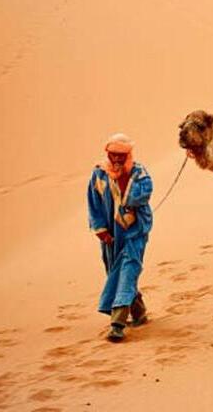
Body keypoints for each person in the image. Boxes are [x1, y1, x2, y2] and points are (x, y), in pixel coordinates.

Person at [87, 133, 153, 342]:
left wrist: (123, 180)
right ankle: (139, 312)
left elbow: (143, 194)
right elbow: (93, 203)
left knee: (127, 270)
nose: (116, 159)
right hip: (111, 235)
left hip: (135, 232)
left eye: (121, 155)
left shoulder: (138, 173)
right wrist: (100, 229)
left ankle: (117, 325)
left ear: (128, 155)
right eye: (113, 154)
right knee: (114, 271)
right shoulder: (99, 174)